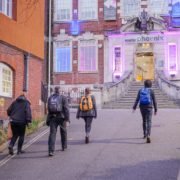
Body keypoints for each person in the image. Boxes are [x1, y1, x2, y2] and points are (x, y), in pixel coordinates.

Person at [47, 87, 70, 156]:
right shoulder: (63, 98)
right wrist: (67, 119)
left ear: (55, 91)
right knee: (63, 132)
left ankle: (51, 151)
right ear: (60, 91)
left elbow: (48, 108)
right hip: (62, 117)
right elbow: (66, 109)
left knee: (52, 134)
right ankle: (64, 146)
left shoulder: (50, 98)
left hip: (53, 117)